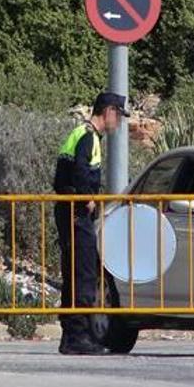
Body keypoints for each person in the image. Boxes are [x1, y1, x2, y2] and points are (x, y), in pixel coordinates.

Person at [53, 92, 129, 355]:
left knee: (75, 271)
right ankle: (78, 336)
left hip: (68, 212)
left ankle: (71, 335)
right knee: (83, 273)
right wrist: (87, 198)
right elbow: (79, 172)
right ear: (108, 111)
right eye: (118, 115)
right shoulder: (88, 137)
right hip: (76, 213)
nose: (118, 121)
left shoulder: (82, 134)